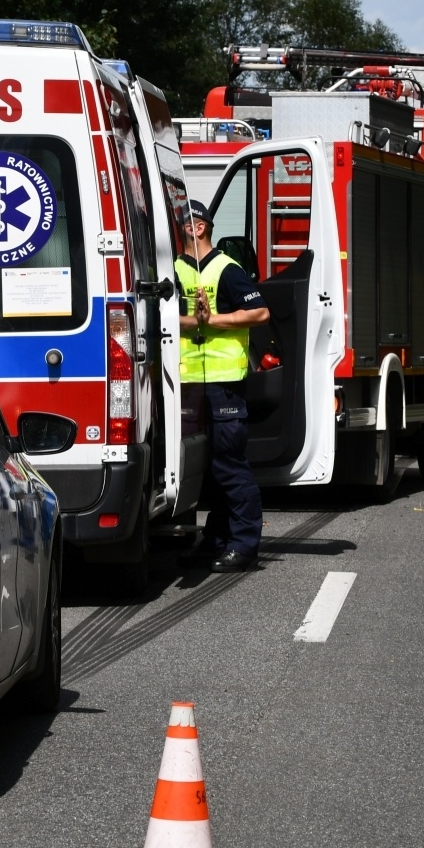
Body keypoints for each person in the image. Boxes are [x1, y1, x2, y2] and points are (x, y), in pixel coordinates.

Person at [175, 200, 270, 572]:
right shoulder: (172, 269)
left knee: (229, 465)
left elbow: (259, 312)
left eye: (183, 222)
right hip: (186, 382)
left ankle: (244, 545)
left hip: (224, 384)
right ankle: (215, 539)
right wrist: (191, 321)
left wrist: (210, 319)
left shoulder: (225, 269)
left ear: (199, 228)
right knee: (207, 468)